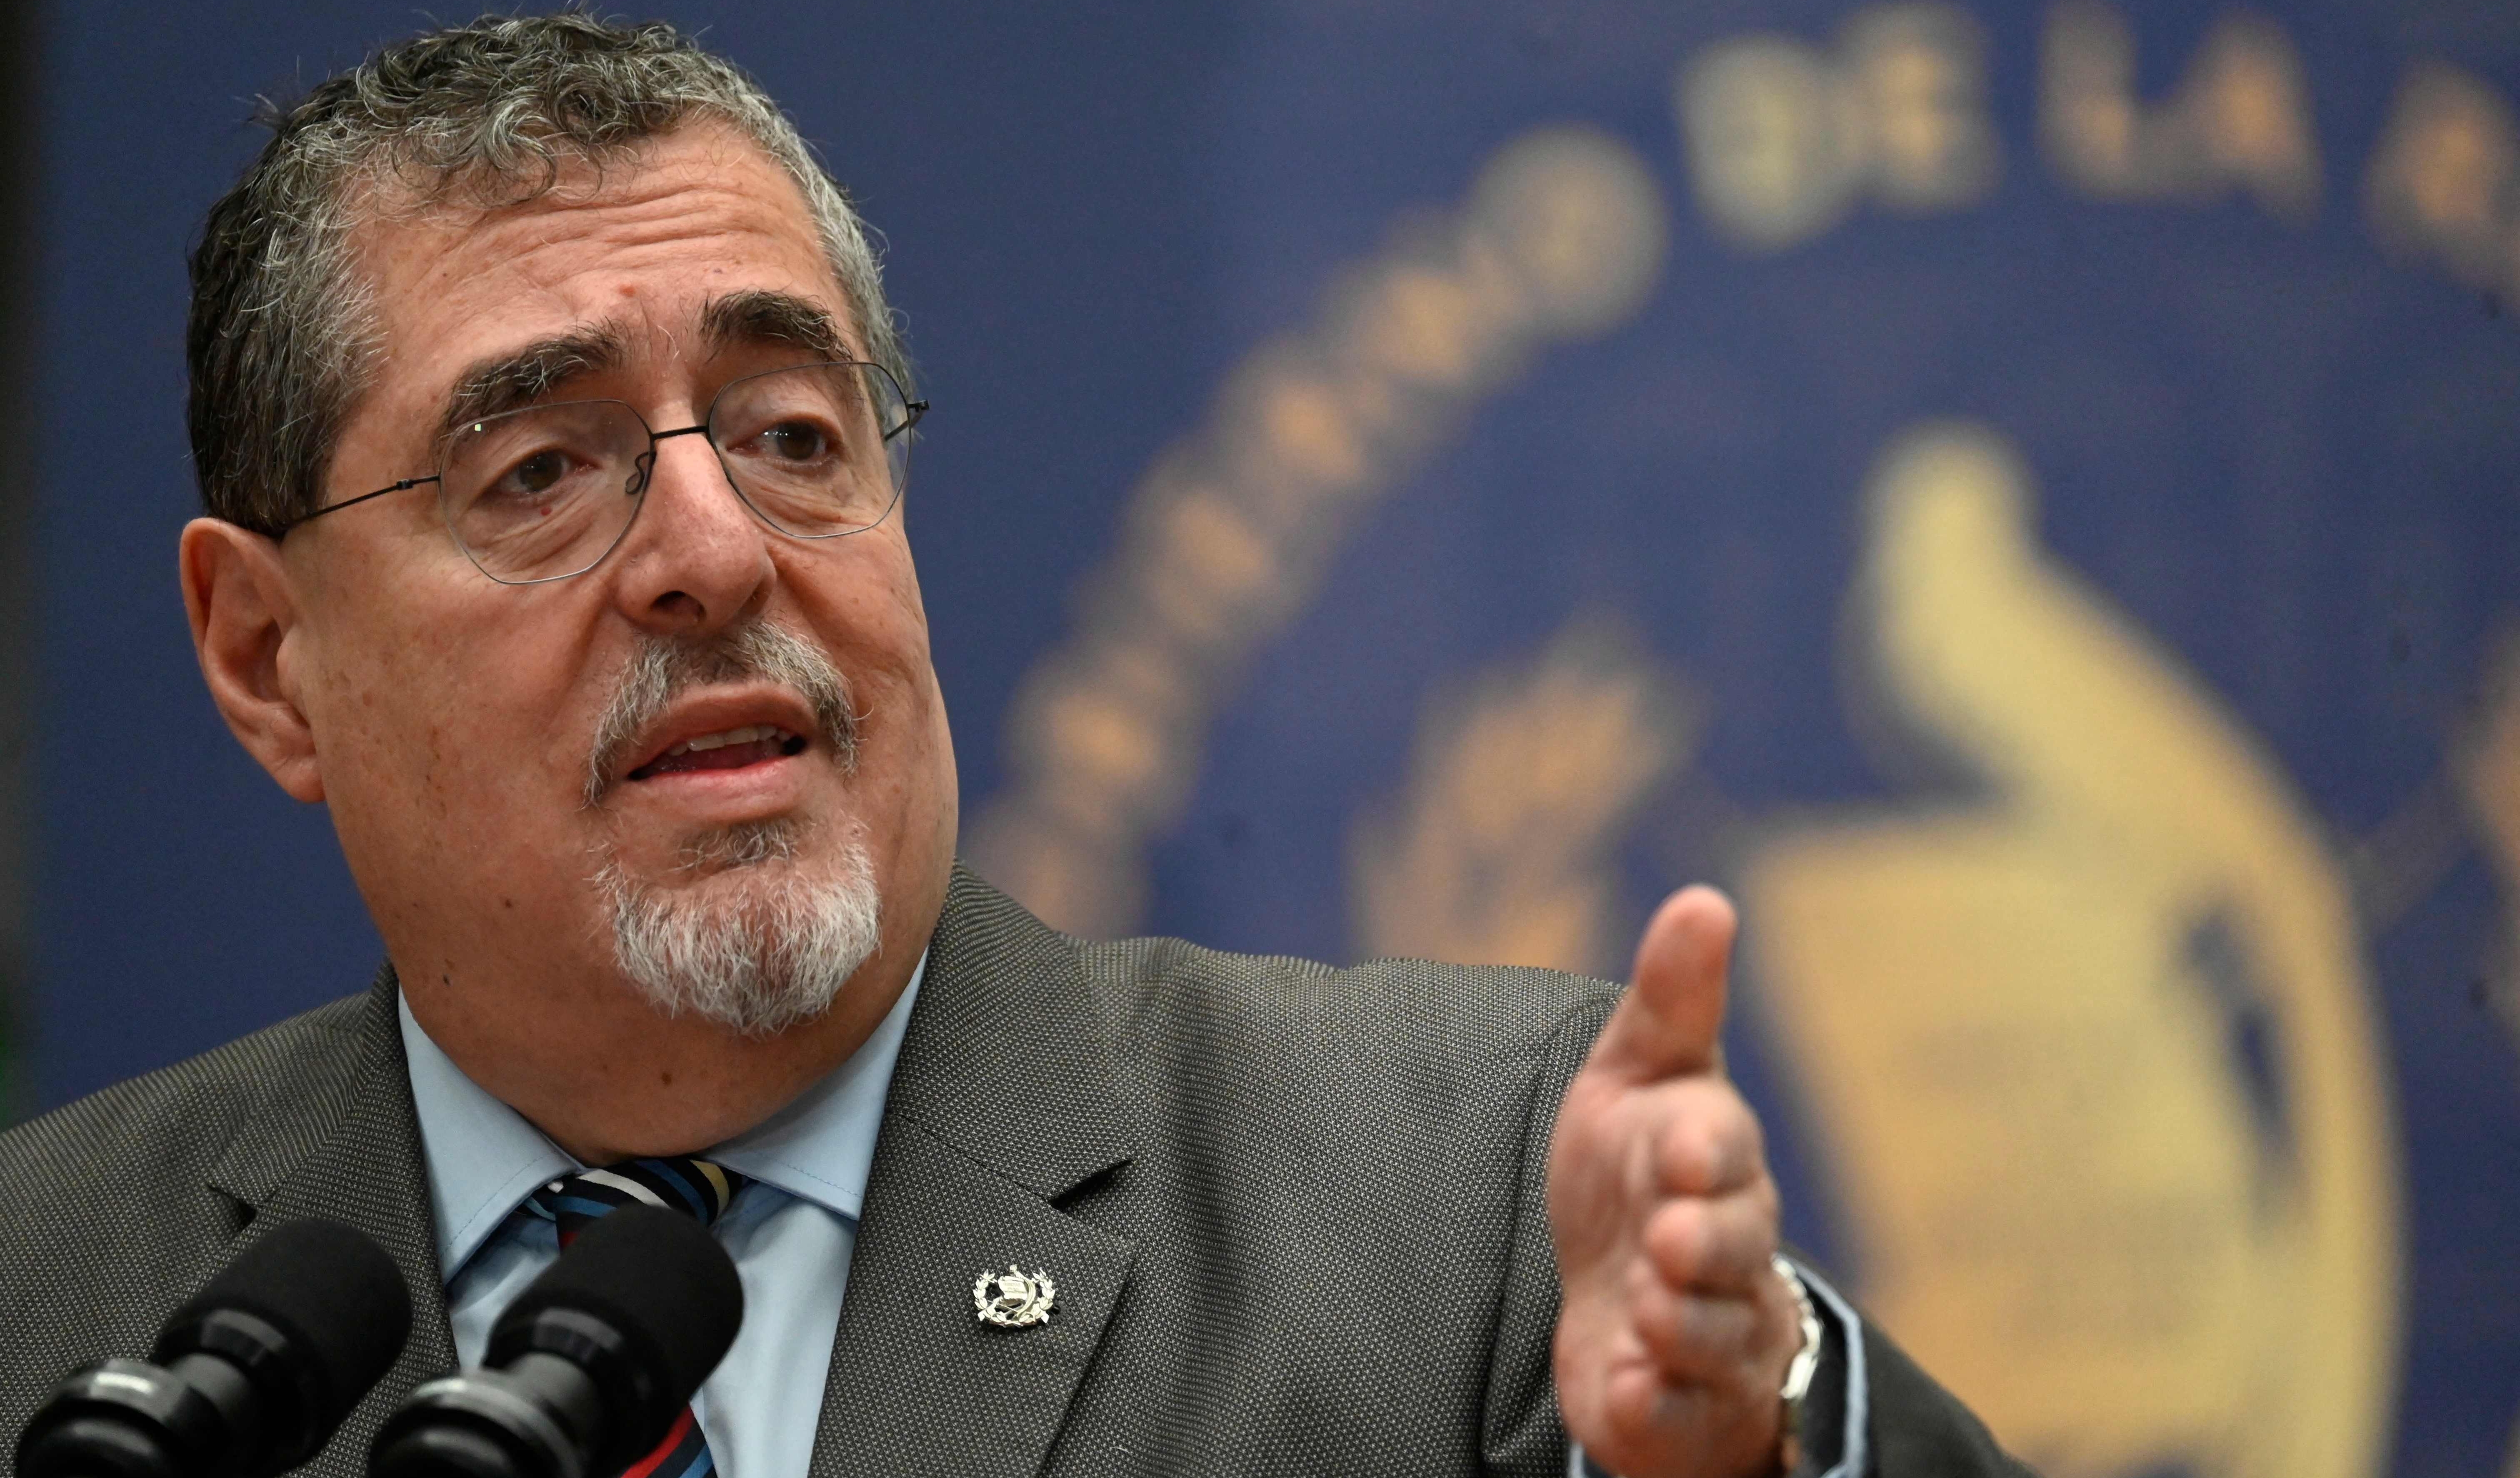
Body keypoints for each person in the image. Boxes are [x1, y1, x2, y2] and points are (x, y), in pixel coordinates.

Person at [0, 16, 2027, 1478]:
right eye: (542, 467)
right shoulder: (49, 1294)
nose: (716, 549)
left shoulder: (1459, 1194)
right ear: (267, 658)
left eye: (798, 435)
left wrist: (1753, 1449)